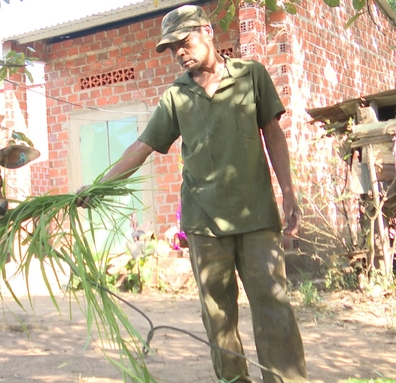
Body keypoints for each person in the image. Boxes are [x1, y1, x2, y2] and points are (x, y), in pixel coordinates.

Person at [76, 5, 308, 383]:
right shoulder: (176, 96)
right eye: (171, 49)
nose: (179, 53)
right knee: (217, 317)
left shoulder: (251, 76)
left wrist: (288, 192)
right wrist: (101, 185)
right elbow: (141, 147)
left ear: (207, 32)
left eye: (183, 42)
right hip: (203, 223)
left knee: (274, 308)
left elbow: (273, 133)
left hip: (258, 218)